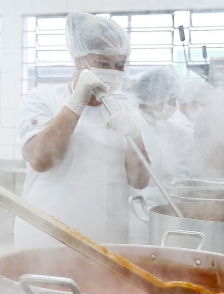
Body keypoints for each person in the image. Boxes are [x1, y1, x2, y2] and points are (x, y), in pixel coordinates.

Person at [14, 12, 151, 249]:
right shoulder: (43, 99)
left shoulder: (124, 109)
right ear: (79, 60)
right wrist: (77, 102)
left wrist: (135, 137)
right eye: (103, 63)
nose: (113, 71)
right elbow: (40, 160)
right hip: (47, 241)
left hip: (107, 243)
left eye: (120, 65)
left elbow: (141, 180)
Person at [123, 67, 199, 243]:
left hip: (164, 216)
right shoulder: (133, 125)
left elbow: (197, 142)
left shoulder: (165, 126)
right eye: (171, 100)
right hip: (139, 218)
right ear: (152, 98)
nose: (174, 106)